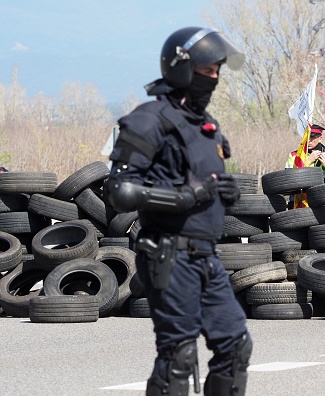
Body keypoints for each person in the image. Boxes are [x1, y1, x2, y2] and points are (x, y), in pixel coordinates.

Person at [104, 27, 251, 396]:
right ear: (181, 68)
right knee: (179, 354)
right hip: (168, 254)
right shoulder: (149, 119)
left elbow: (206, 181)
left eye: (218, 70)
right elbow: (119, 190)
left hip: (207, 256)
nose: (214, 78)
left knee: (236, 346)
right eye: (207, 70)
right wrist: (184, 197)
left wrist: (225, 192)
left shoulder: (208, 127)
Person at [285, 124, 325, 208]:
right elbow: (287, 181)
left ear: (320, 138)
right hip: (298, 205)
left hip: (322, 205)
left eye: (312, 137)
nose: (309, 140)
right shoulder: (294, 156)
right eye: (307, 137)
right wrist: (308, 161)